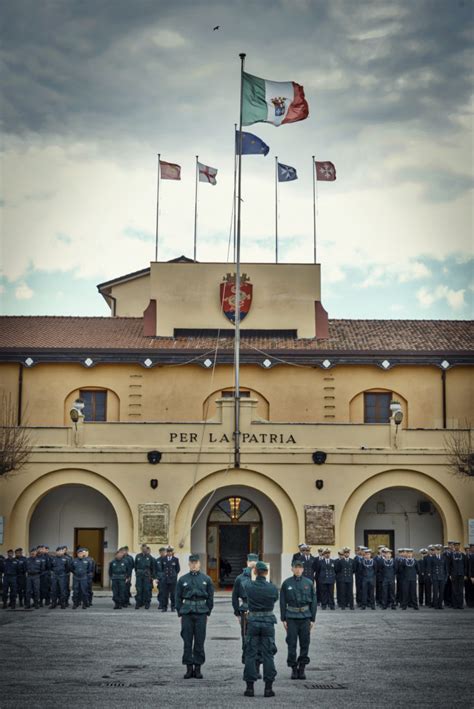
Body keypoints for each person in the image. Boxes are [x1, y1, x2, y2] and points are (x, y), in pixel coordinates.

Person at [175, 553, 214, 679]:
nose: (194, 565)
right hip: (187, 613)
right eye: (191, 563)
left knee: (199, 641)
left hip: (201, 612)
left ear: (199, 564)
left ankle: (197, 668)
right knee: (187, 641)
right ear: (188, 564)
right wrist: (180, 611)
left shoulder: (206, 579)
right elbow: (177, 597)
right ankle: (188, 668)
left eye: (196, 563)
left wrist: (207, 612)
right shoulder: (182, 579)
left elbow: (210, 598)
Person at [243, 560, 278, 698]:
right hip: (268, 623)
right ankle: (268, 688)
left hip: (253, 622)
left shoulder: (249, 585)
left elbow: (243, 581)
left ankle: (250, 688)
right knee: (268, 654)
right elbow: (275, 599)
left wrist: (249, 568)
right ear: (267, 572)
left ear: (255, 572)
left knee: (250, 654)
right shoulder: (272, 588)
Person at [280, 559, 317, 680]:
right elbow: (282, 602)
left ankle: (302, 668)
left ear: (302, 569)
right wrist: (283, 618)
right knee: (291, 644)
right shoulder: (286, 583)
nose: (298, 570)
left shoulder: (309, 583)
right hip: (291, 617)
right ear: (292, 569)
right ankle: (293, 668)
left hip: (305, 617)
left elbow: (314, 602)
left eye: (300, 568)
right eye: (295, 567)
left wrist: (313, 619)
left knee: (305, 643)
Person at [232, 553, 258, 664]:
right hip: (245, 610)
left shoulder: (263, 576)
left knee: (259, 639)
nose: (252, 564)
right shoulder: (240, 578)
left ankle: (256, 664)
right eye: (250, 562)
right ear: (247, 563)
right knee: (246, 637)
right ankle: (247, 660)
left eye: (254, 562)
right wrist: (237, 613)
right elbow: (234, 596)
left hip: (259, 610)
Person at [134, 544, 157, 609]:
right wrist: (137, 572)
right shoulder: (138, 556)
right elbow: (135, 566)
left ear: (146, 549)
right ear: (141, 549)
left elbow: (153, 568)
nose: (144, 549)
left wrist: (152, 576)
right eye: (142, 548)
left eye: (145, 548)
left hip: (147, 576)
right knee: (139, 589)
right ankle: (138, 603)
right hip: (139, 575)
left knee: (146, 589)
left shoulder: (150, 557)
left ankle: (147, 603)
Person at [429, 544, 448, 609]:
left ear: (441, 550)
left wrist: (445, 577)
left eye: (439, 550)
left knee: (442, 592)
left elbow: (446, 569)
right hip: (435, 577)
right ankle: (435, 605)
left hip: (442, 577)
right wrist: (431, 577)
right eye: (437, 550)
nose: (438, 551)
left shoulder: (444, 558)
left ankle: (440, 605)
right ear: (435, 550)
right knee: (435, 592)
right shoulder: (432, 558)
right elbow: (431, 569)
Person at [161, 545, 180, 612]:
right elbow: (162, 569)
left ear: (172, 552)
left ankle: (173, 607)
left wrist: (174, 575)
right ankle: (164, 607)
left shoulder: (175, 559)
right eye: (168, 551)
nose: (169, 553)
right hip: (165, 579)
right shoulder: (163, 559)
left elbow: (178, 569)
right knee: (165, 594)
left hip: (172, 579)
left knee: (173, 594)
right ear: (166, 552)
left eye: (170, 551)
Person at [449, 542, 466, 609]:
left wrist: (465, 574)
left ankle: (460, 604)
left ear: (459, 546)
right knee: (454, 590)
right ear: (454, 547)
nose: (457, 547)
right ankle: (455, 604)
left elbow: (465, 566)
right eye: (455, 546)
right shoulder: (451, 555)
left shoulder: (463, 555)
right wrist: (450, 574)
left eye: (458, 546)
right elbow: (449, 565)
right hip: (454, 574)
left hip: (461, 574)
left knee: (460, 590)